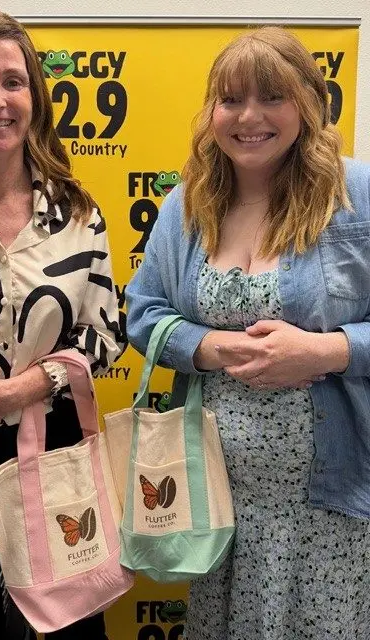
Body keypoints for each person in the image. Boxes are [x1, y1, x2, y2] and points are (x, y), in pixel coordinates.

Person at [126, 26, 370, 640]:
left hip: (331, 509)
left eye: (272, 97)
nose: (249, 117)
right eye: (231, 99)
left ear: (308, 104)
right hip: (215, 508)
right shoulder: (188, 206)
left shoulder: (356, 198)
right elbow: (143, 313)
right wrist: (211, 347)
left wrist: (327, 351)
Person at [0, 7, 123, 640]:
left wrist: (20, 390)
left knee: (73, 634)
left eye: (12, 81)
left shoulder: (77, 212)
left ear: (35, 96)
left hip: (54, 456)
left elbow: (107, 335)